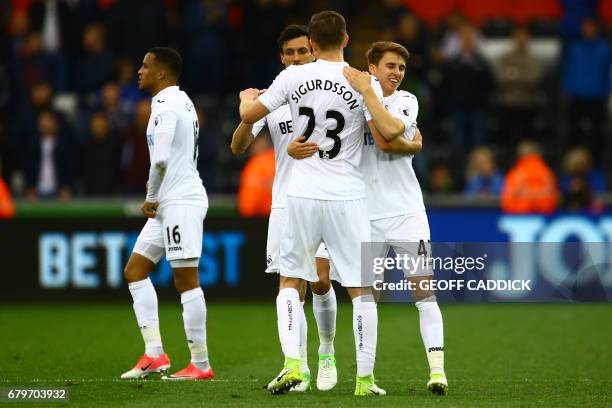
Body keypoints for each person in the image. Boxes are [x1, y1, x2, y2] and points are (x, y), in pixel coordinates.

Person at [239, 11, 395, 396]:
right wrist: (370, 92)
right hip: (348, 196)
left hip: (302, 194)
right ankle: (364, 380)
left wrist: (245, 99)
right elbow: (391, 131)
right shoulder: (361, 80)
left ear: (310, 45)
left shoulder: (292, 76)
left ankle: (293, 363)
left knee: (290, 282)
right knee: (361, 290)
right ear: (346, 40)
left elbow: (248, 115)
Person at [295, 41, 448, 395]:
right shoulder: (351, 99)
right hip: (364, 215)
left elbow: (388, 134)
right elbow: (387, 140)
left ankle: (437, 371)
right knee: (368, 297)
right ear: (373, 68)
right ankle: (367, 377)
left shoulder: (407, 100)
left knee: (424, 290)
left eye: (401, 68)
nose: (397, 73)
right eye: (390, 66)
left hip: (408, 212)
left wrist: (370, 98)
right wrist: (412, 144)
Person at [231, 24, 339, 392]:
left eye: (301, 51)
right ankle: (297, 367)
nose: (295, 58)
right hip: (286, 204)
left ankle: (327, 354)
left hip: (327, 199)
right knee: (289, 284)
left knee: (321, 280)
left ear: (312, 50)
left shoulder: (331, 93)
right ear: (281, 58)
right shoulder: (274, 96)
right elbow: (238, 145)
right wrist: (246, 112)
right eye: (288, 53)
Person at [120, 47, 212, 381]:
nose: (139, 70)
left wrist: (150, 197)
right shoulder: (180, 100)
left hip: (178, 201)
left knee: (186, 280)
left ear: (161, 73)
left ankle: (200, 364)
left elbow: (159, 160)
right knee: (135, 270)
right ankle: (155, 354)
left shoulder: (166, 106)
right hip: (170, 202)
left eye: (145, 65)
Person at [500, 140, 559, 214]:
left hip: (520, 218)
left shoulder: (516, 173)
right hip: (545, 217)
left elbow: (507, 201)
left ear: (520, 154)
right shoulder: (547, 173)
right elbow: (555, 198)